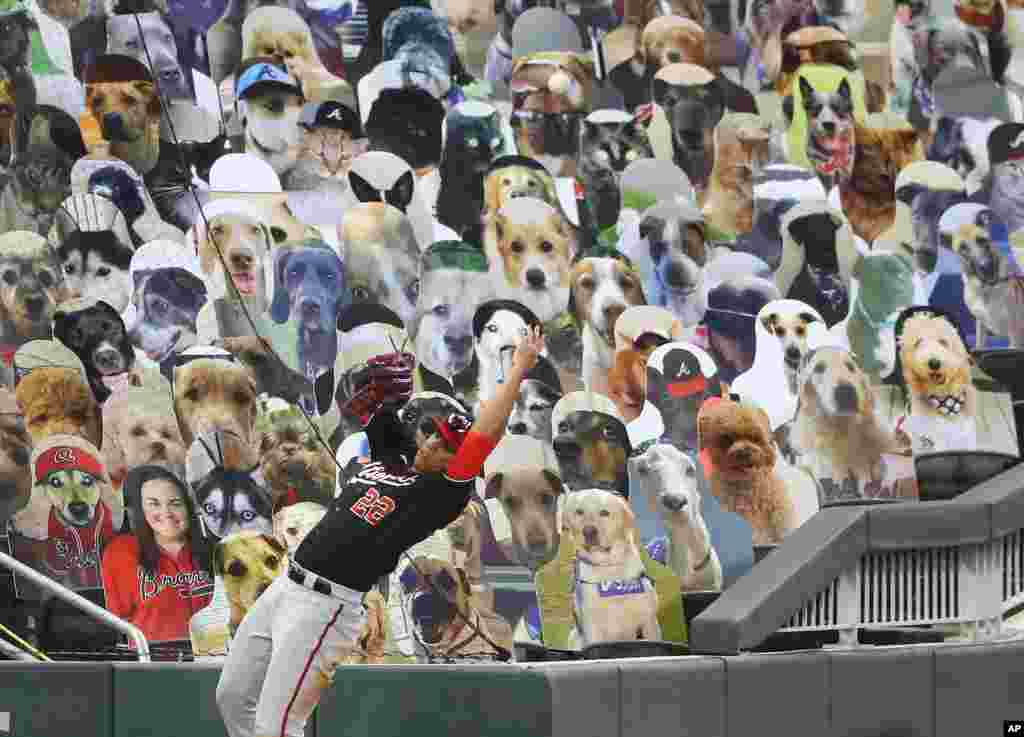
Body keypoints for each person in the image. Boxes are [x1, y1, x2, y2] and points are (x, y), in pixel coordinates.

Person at [216, 326, 544, 737]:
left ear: (457, 464)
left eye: (445, 446)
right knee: (232, 697)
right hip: (286, 586)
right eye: (436, 436)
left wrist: (517, 370)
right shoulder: (398, 458)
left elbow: (485, 435)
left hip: (326, 609)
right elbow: (380, 404)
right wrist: (389, 385)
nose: (432, 445)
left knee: (278, 726)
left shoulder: (438, 496)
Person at [101, 465, 214, 643]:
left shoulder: (212, 548)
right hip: (155, 661)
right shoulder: (121, 552)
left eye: (175, 503)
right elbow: (120, 619)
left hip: (215, 656)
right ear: (136, 511)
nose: (167, 513)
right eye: (154, 504)